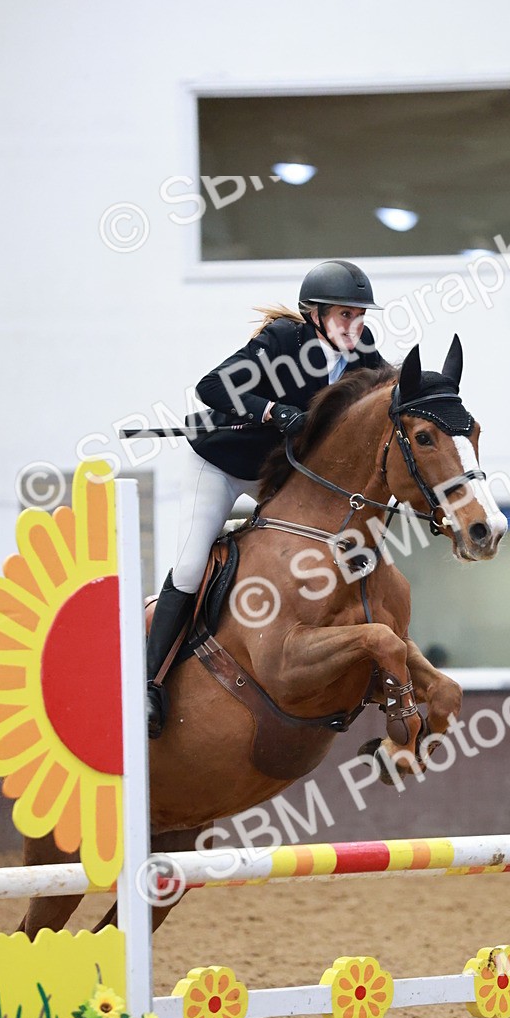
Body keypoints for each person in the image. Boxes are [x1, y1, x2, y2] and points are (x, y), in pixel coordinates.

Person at [146, 259, 385, 738]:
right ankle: (148, 685)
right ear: (315, 315)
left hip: (277, 474)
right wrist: (274, 411)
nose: (355, 326)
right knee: (190, 568)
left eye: (360, 316)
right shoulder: (282, 342)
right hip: (222, 467)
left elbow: (392, 391)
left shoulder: (363, 353)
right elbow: (212, 386)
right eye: (345, 315)